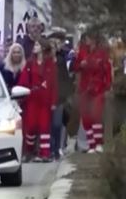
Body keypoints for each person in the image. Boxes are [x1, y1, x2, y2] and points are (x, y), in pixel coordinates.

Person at [17, 39, 57, 162]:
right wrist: (22, 93)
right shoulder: (30, 63)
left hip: (45, 100)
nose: (35, 47)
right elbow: (23, 81)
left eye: (38, 45)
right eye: (35, 45)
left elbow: (54, 85)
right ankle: (29, 151)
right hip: (32, 99)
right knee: (31, 126)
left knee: (44, 126)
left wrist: (53, 102)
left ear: (43, 48)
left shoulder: (50, 64)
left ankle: (44, 153)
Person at [72, 32, 112, 153]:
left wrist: (107, 87)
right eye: (85, 38)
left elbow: (107, 72)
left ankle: (98, 143)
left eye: (88, 38)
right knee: (86, 118)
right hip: (84, 90)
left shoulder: (102, 53)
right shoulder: (82, 51)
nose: (86, 40)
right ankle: (91, 145)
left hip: (98, 90)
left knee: (95, 115)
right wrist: (80, 65)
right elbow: (75, 67)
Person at [48, 31, 73, 159]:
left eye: (55, 44)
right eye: (51, 44)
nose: (54, 47)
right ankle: (49, 148)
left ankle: (57, 148)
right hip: (46, 97)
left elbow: (65, 77)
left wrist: (67, 94)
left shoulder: (61, 59)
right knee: (48, 125)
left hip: (59, 97)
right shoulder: (44, 60)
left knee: (57, 124)